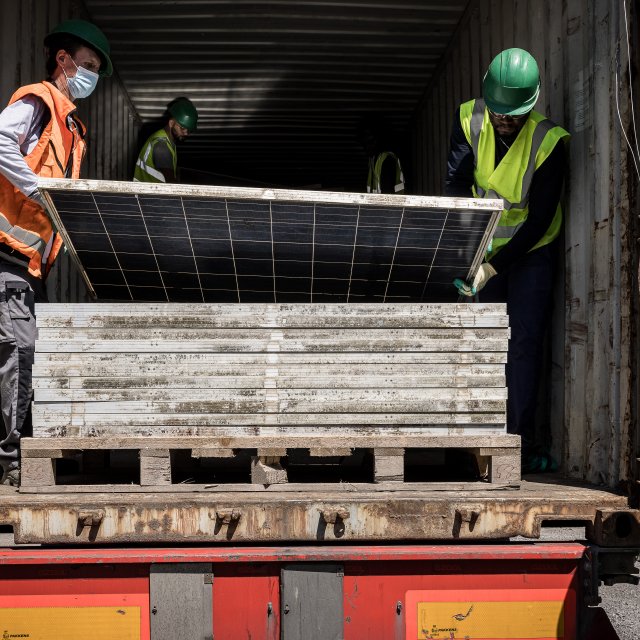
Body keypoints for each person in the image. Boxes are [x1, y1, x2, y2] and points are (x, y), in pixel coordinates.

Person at [445, 48, 570, 473]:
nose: (502, 119)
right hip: (483, 248)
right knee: (484, 343)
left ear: (531, 104)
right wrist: (467, 255)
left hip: (531, 252)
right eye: (498, 110)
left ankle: (517, 440)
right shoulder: (469, 120)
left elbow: (538, 221)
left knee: (523, 344)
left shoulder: (549, 141)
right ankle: (477, 440)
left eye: (511, 114)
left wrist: (495, 266)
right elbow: (457, 189)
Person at [0, 19, 112, 486]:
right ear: (62, 60)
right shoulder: (39, 102)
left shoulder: (73, 127)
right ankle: (9, 461)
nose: (88, 75)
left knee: (24, 355)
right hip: (5, 255)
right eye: (84, 64)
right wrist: (38, 189)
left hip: (29, 266)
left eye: (95, 70)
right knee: (19, 353)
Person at [134, 97, 198, 183]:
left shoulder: (165, 141)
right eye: (182, 128)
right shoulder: (162, 146)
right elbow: (171, 184)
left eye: (188, 130)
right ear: (171, 123)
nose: (186, 133)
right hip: (149, 195)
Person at [357, 113, 405, 194]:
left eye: (369, 141)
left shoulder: (387, 160)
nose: (365, 146)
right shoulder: (373, 162)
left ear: (377, 139)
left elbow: (387, 194)